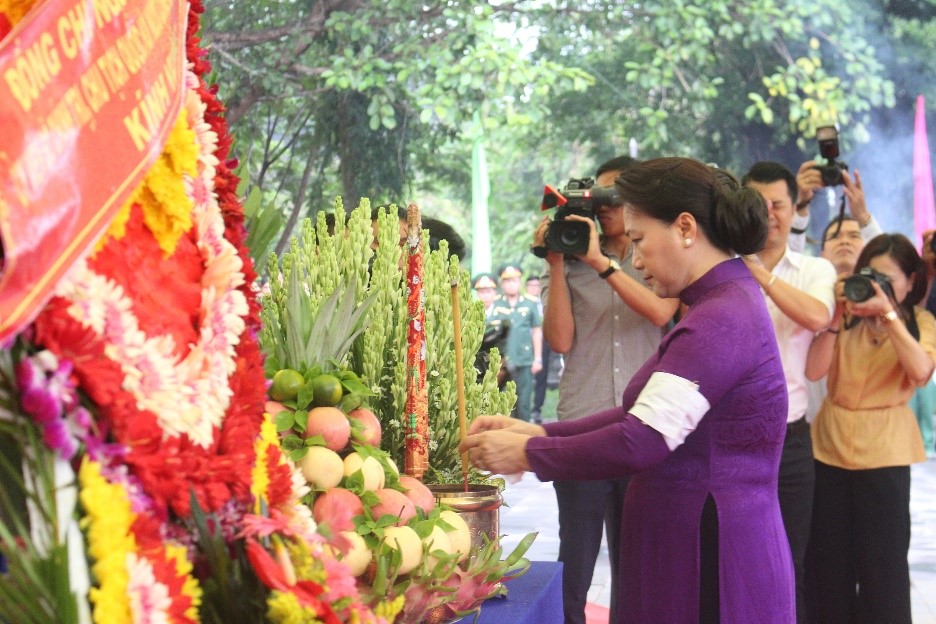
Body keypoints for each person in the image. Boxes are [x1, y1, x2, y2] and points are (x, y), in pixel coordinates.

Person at [461, 156, 794, 624]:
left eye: (639, 241)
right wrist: (539, 432)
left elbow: (643, 439)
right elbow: (635, 414)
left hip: (710, 553)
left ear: (684, 228)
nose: (635, 259)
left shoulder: (721, 317)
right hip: (690, 539)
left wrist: (530, 455)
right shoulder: (713, 305)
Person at [533, 155, 677, 624]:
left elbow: (660, 313)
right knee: (574, 558)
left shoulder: (661, 257)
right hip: (582, 424)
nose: (607, 206)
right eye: (600, 195)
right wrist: (557, 262)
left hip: (645, 425)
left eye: (618, 196)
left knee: (638, 561)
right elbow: (560, 341)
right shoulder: (571, 259)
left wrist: (600, 262)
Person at [804, 233, 935, 624]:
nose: (876, 287)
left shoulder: (921, 322)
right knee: (827, 567)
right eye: (870, 276)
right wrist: (835, 315)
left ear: (912, 281)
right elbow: (813, 370)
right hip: (828, 447)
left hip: (886, 452)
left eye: (888, 279)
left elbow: (921, 371)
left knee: (884, 569)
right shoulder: (843, 317)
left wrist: (889, 315)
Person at [741, 161, 836, 624]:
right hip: (732, 439)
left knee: (788, 562)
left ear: (791, 206)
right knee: (736, 562)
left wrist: (760, 275)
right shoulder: (722, 268)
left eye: (777, 204)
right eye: (757, 205)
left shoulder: (814, 268)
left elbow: (818, 317)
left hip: (791, 438)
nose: (768, 214)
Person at [789, 162, 881, 253]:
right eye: (835, 237)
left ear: (865, 250)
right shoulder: (808, 267)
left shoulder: (875, 265)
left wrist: (863, 216)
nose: (844, 242)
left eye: (854, 236)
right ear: (822, 253)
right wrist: (801, 205)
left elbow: (886, 260)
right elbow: (786, 259)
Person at [490, 265, 542, 421]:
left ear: (520, 282)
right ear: (502, 283)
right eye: (507, 281)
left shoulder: (530, 303)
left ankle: (524, 439)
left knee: (524, 402)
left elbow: (537, 330)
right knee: (503, 403)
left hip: (524, 359)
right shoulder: (496, 303)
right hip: (502, 362)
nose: (511, 284)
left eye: (515, 280)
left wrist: (538, 358)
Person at [472, 272, 509, 384]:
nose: (485, 295)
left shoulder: (504, 315)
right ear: (477, 293)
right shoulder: (470, 314)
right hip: (477, 363)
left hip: (499, 363)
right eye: (482, 292)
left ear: (494, 292)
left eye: (488, 291)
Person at [525, 274, 550, 424]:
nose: (534, 289)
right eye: (531, 286)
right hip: (525, 344)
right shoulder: (522, 304)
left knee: (541, 377)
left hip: (543, 343)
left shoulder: (543, 304)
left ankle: (537, 410)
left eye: (537, 286)